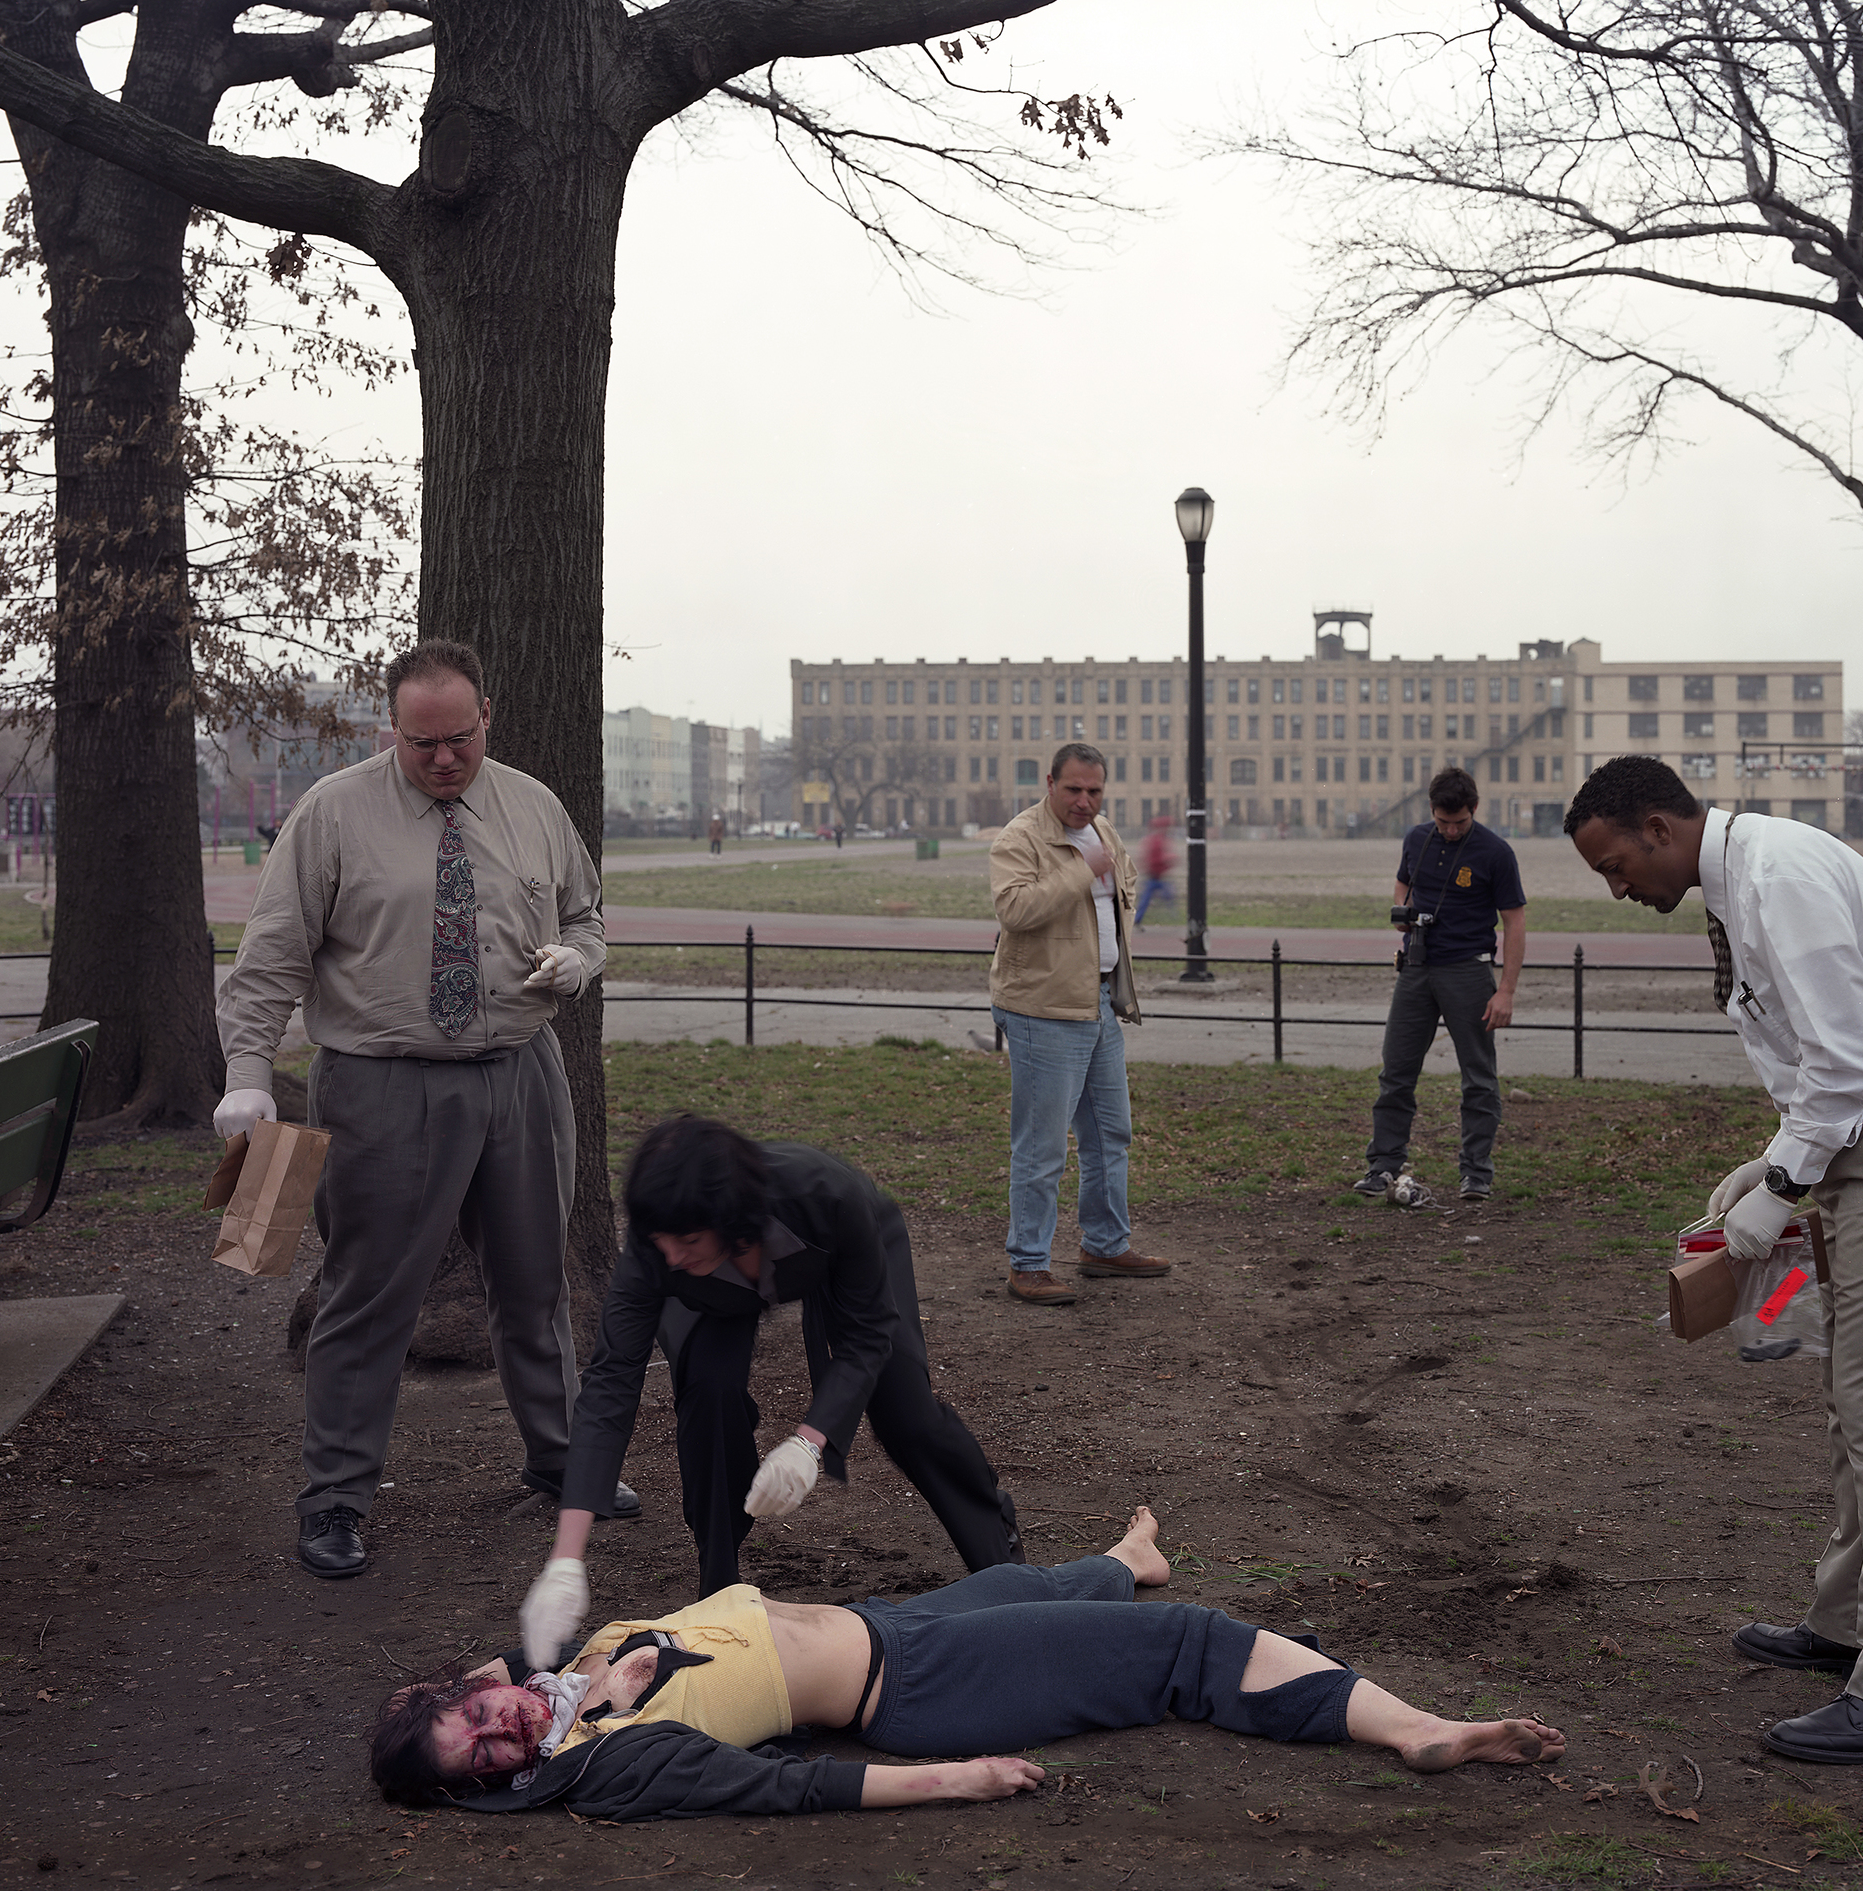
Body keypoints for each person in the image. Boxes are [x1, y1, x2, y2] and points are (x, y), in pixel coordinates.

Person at [1564, 758, 1863, 1766]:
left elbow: (1849, 1058)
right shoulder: (1746, 878)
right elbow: (1828, 1059)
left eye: (1614, 863)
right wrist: (1773, 1159)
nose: (1617, 886)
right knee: (1862, 1402)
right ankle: (1849, 1620)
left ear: (1657, 824)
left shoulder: (1779, 875)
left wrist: (1779, 1192)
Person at [214, 640, 634, 1580]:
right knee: (369, 1294)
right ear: (389, 730)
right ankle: (334, 1497)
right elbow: (272, 958)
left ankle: (562, 1460)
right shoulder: (333, 815)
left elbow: (587, 917)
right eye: (421, 743)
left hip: (521, 1074)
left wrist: (580, 960)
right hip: (382, 1083)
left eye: (460, 739)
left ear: (490, 718)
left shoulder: (533, 807)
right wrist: (249, 1071)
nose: (443, 759)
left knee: (534, 1284)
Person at [377, 1508, 1566, 1818]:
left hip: (893, 1626)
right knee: (1188, 1648)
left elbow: (497, 1672)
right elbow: (784, 1785)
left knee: (1031, 1590)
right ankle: (1413, 1726)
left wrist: (535, 1677)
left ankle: (1119, 1558)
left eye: (478, 1714)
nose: (503, 1732)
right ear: (491, 1787)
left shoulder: (546, 1681)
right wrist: (953, 1781)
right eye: (484, 1759)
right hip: (917, 1689)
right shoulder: (604, 1761)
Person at [520, 1117, 1022, 1635]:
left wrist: (808, 1442)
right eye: (661, 1242)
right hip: (712, 1295)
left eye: (687, 1238)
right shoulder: (660, 1251)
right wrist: (566, 1559)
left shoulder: (829, 1196)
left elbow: (866, 1335)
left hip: (838, 1253)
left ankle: (996, 1548)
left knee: (904, 1412)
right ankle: (718, 1585)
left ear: (730, 1221)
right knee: (708, 1394)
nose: (670, 1256)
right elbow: (610, 1387)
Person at [987, 742, 1168, 1307]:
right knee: (1042, 1148)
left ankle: (1105, 1245)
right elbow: (1013, 910)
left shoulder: (1104, 831)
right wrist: (1080, 873)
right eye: (1074, 790)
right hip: (1042, 1009)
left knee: (1110, 1134)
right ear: (1049, 783)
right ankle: (1029, 1264)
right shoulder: (1020, 838)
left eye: (1095, 791)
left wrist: (1115, 884)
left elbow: (1124, 884)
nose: (1085, 801)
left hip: (1096, 1004)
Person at [1356, 766, 1526, 1205]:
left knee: (1478, 1078)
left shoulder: (1496, 851)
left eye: (1459, 823)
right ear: (1431, 811)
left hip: (1469, 971)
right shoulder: (1417, 838)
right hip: (1416, 966)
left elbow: (1514, 920)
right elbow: (1402, 882)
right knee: (1395, 1071)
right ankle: (1383, 1165)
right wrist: (1402, 910)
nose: (1450, 831)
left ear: (1474, 810)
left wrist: (1505, 990)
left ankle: (1476, 1173)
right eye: (1442, 821)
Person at [1132, 814, 1178, 929]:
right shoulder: (1157, 840)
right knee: (1149, 898)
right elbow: (1155, 857)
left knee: (1159, 896)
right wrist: (1168, 859)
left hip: (1157, 876)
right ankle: (1138, 919)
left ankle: (1138, 919)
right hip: (1154, 876)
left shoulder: (1157, 839)